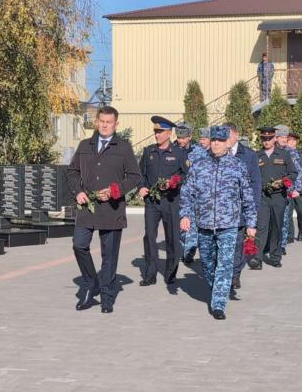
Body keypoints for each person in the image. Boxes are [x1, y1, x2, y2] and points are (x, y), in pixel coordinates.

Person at [66, 106, 142, 314]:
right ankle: (92, 284)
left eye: (109, 122)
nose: (105, 125)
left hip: (112, 209)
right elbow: (72, 172)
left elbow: (135, 176)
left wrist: (116, 191)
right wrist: (78, 191)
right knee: (79, 245)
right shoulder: (85, 145)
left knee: (109, 255)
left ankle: (107, 297)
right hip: (87, 207)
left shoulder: (123, 147)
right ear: (97, 122)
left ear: (116, 124)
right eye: (101, 121)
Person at [180, 126, 257, 320]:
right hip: (204, 224)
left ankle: (218, 304)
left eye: (220, 141)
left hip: (229, 224)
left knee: (225, 263)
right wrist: (185, 215)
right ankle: (217, 288)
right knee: (207, 263)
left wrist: (251, 223)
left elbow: (247, 196)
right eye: (213, 140)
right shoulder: (199, 166)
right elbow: (187, 193)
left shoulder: (237, 166)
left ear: (227, 143)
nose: (215, 144)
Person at [138, 116, 188, 286]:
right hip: (152, 201)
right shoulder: (148, 151)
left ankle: (171, 271)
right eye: (155, 132)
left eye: (160, 132)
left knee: (172, 237)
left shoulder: (179, 153)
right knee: (150, 236)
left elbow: (186, 175)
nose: (157, 135)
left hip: (171, 200)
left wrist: (174, 182)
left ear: (169, 133)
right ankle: (150, 273)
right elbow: (140, 175)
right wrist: (141, 187)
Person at [250, 127, 297, 269]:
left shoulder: (284, 155)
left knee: (277, 226)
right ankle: (257, 258)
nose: (266, 141)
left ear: (275, 138)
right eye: (263, 139)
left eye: (269, 138)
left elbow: (293, 173)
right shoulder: (256, 155)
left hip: (278, 196)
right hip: (263, 196)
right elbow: (251, 176)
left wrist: (283, 182)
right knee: (262, 227)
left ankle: (275, 256)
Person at [224, 123, 261, 290]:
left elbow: (255, 183)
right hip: (223, 208)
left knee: (238, 243)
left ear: (236, 135)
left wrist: (254, 208)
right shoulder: (217, 154)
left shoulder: (249, 155)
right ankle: (225, 272)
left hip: (241, 207)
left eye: (229, 136)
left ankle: (235, 274)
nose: (226, 140)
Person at [182, 127, 211, 264]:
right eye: (201, 139)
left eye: (205, 139)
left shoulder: (216, 152)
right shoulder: (195, 152)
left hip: (209, 196)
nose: (202, 142)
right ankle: (189, 251)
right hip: (195, 192)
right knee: (191, 223)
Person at [276, 125, 302, 254]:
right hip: (270, 191)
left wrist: (296, 189)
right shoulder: (270, 150)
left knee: (284, 219)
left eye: (285, 137)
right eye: (280, 137)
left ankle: (281, 245)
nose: (283, 140)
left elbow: (298, 171)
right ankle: (272, 244)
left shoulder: (290, 152)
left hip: (286, 191)